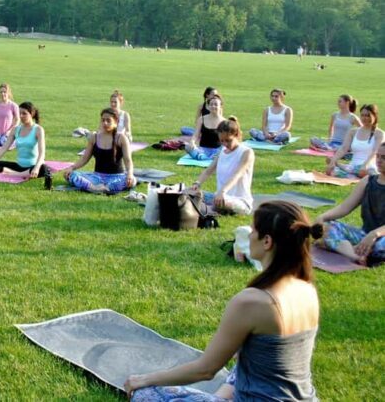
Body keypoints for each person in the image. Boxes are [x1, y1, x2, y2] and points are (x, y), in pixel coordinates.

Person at [125, 200, 319, 402]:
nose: (249, 235)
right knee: (240, 364)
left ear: (267, 241)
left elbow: (205, 370)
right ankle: (222, 396)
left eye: (253, 230)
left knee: (145, 395)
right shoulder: (307, 289)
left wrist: (144, 379)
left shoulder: (253, 302)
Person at [313, 142, 385, 266]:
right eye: (378, 156)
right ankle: (355, 255)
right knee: (328, 227)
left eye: (384, 158)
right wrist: (322, 217)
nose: (379, 160)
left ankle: (343, 247)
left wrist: (375, 234)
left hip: (380, 237)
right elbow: (344, 208)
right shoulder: (367, 181)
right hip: (365, 235)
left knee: (379, 248)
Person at [56, 108, 135, 194]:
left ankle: (103, 188)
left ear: (116, 122)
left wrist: (130, 174)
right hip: (96, 177)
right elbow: (84, 158)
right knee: (71, 175)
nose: (105, 123)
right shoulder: (94, 137)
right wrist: (72, 168)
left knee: (132, 180)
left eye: (108, 121)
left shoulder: (121, 138)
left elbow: (128, 160)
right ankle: (95, 188)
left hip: (116, 177)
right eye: (103, 120)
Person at [0, 102, 51, 188]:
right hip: (19, 166)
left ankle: (13, 173)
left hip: (32, 166)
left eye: (24, 113)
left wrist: (36, 168)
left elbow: (42, 153)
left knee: (44, 169)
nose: (21, 116)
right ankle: (19, 174)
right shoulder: (16, 130)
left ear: (31, 114)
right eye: (20, 113)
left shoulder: (38, 130)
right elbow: (4, 148)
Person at [192, 117, 255, 215]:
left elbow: (237, 175)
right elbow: (208, 171)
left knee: (219, 204)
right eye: (222, 141)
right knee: (189, 193)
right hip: (219, 196)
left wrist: (222, 191)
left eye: (228, 140)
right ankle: (204, 208)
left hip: (240, 202)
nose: (225, 144)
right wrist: (197, 183)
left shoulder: (246, 152)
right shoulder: (222, 151)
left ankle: (206, 209)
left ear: (236, 135)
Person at [325, 104, 383, 178]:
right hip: (353, 166)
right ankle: (344, 169)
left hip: (368, 167)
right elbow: (343, 148)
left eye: (368, 115)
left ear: (375, 116)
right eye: (362, 115)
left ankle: (341, 166)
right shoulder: (353, 132)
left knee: (369, 172)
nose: (365, 118)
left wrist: (365, 165)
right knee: (333, 171)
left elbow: (375, 152)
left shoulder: (379, 133)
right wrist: (333, 162)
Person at [184, 94, 224, 161]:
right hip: (203, 150)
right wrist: (192, 142)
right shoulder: (201, 119)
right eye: (211, 104)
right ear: (208, 106)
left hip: (217, 151)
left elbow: (227, 140)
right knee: (187, 147)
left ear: (220, 107)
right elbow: (196, 135)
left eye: (216, 104)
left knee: (226, 149)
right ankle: (204, 157)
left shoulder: (224, 122)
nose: (213, 106)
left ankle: (213, 157)